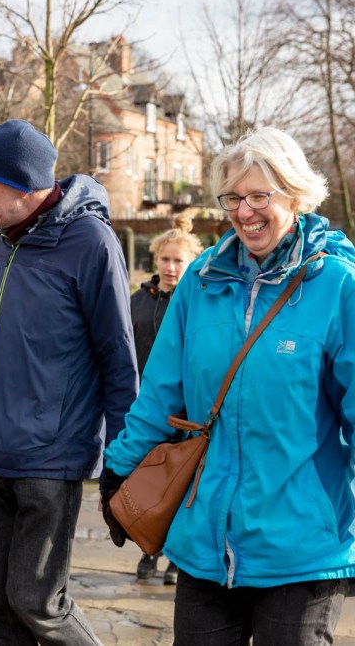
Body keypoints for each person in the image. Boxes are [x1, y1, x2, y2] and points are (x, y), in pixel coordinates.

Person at [100, 127, 355, 644]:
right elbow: (160, 393)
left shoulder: (338, 288)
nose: (244, 212)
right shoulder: (200, 282)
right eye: (233, 199)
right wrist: (119, 469)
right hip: (204, 544)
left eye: (259, 197)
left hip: (304, 552)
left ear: (295, 194)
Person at [0, 119, 138, 645]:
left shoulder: (91, 241)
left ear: (23, 182)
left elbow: (118, 359)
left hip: (47, 460)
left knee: (40, 604)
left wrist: (125, 461)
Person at [130, 213, 203, 586]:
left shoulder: (201, 303)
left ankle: (177, 559)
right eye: (165, 260)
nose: (171, 267)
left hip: (189, 415)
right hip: (149, 410)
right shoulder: (137, 302)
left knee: (184, 486)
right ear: (155, 260)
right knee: (151, 485)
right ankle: (149, 550)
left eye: (179, 261)